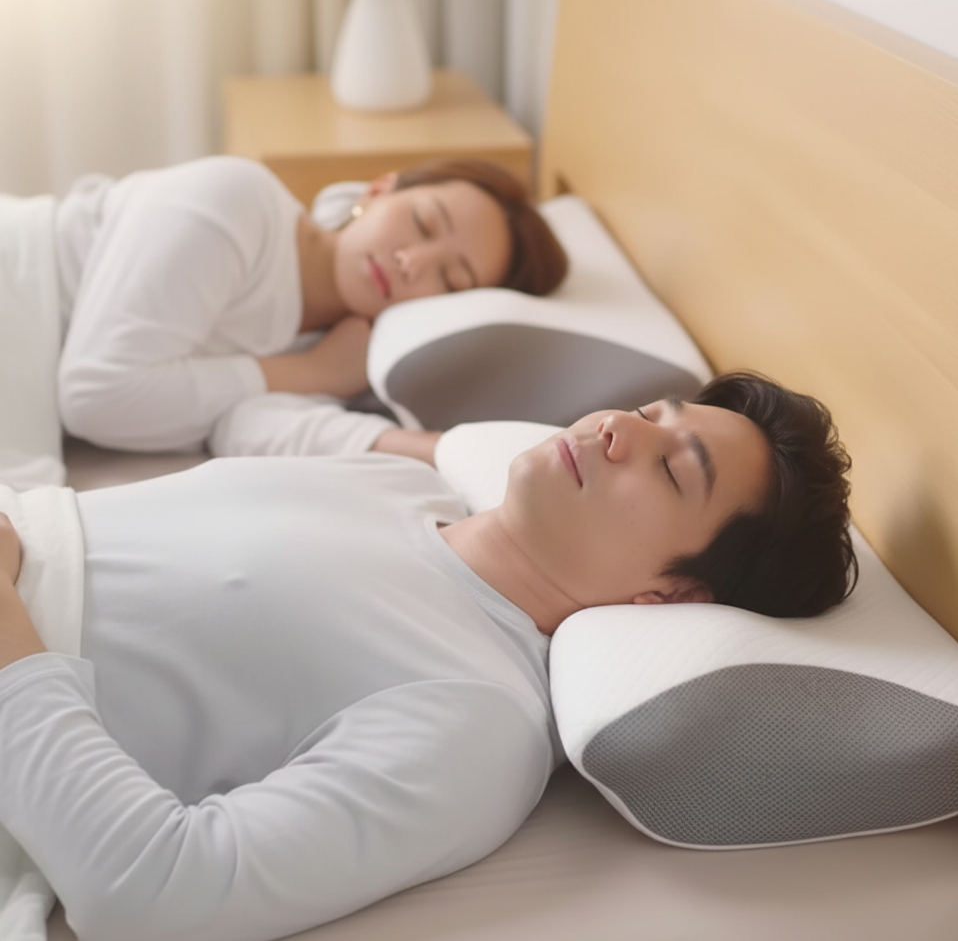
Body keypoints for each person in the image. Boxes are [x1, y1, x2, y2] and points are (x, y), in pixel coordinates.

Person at [0, 372, 855, 941]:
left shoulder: (478, 721)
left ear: (670, 599)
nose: (615, 431)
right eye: (647, 411)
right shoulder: (412, 488)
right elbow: (254, 418)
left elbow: (152, 891)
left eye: (672, 471)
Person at [54, 155, 568, 459]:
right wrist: (311, 372)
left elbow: (252, 428)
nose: (412, 261)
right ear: (378, 189)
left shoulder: (349, 350)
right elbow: (94, 397)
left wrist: (459, 453)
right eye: (423, 224)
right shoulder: (235, 200)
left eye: (451, 280)